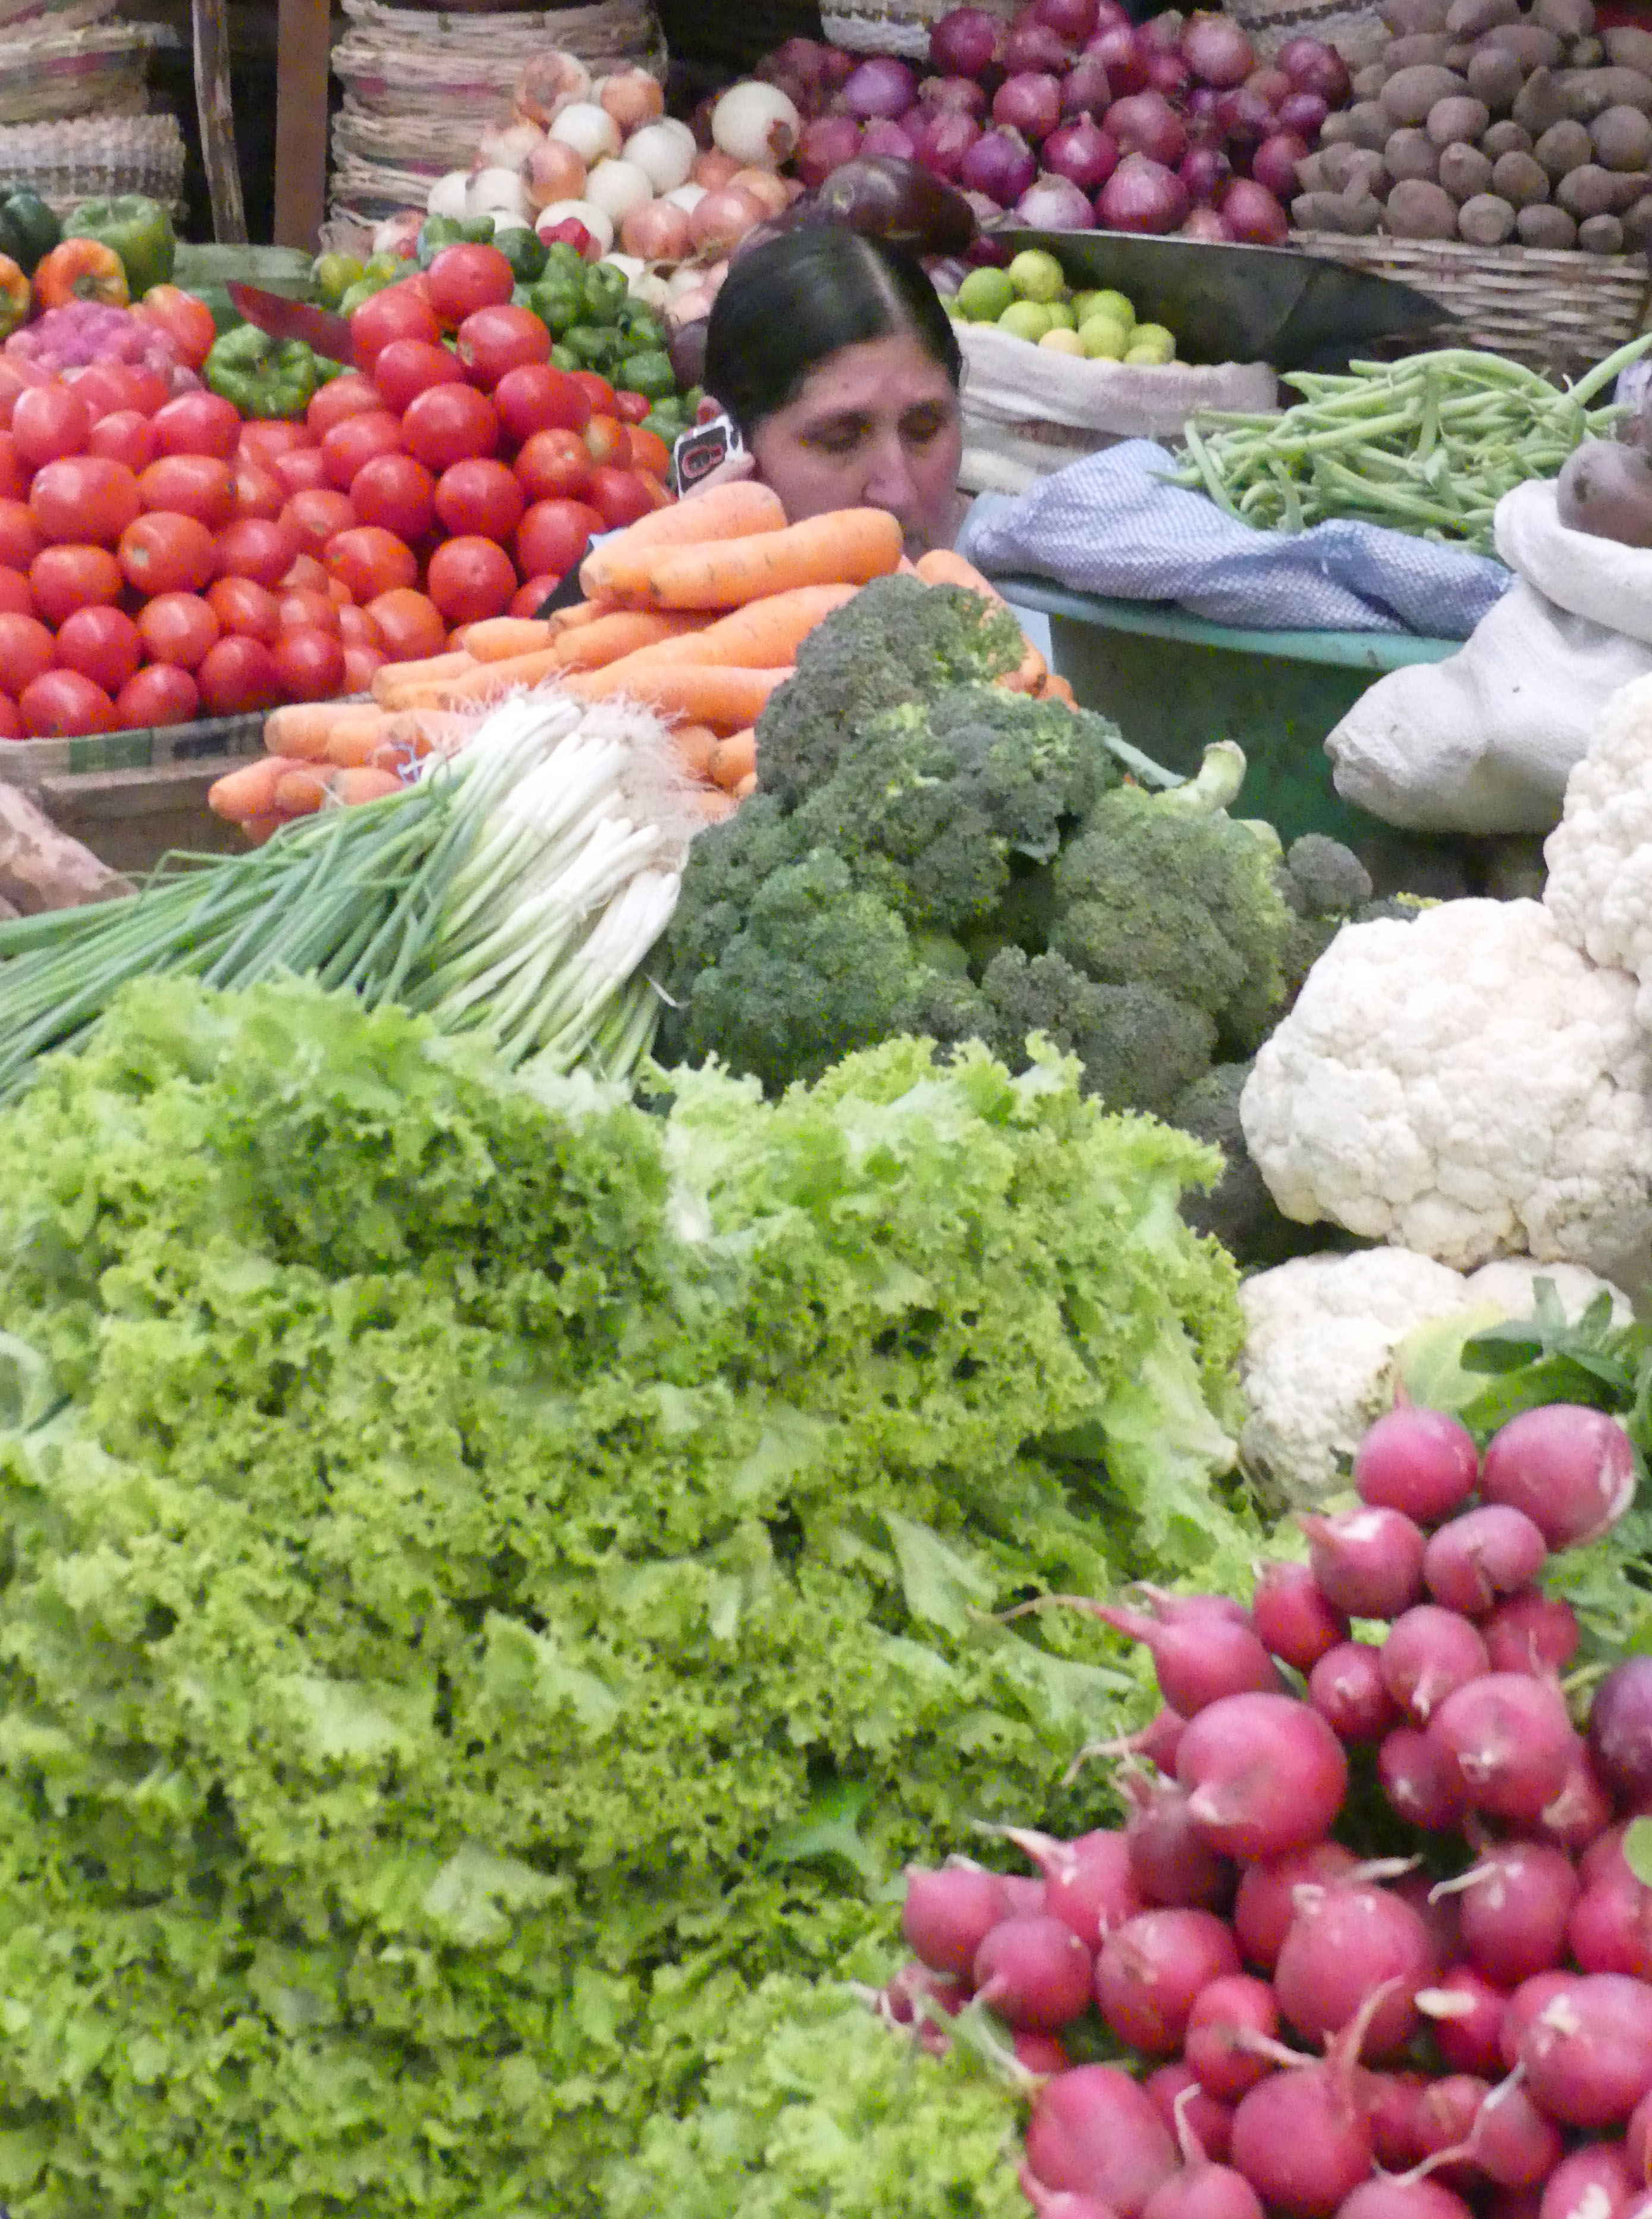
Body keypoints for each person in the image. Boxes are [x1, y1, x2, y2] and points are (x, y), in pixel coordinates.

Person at [699, 225, 967, 560]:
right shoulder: (641, 576)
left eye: (925, 430)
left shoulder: (1019, 573)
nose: (898, 496)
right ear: (720, 450)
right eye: (839, 440)